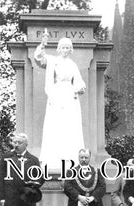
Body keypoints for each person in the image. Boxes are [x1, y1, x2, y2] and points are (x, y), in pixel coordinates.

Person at [34, 35, 86, 170]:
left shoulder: (72, 64)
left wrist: (80, 88)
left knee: (70, 126)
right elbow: (39, 59)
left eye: (68, 47)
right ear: (59, 48)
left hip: (70, 96)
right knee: (55, 125)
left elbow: (79, 82)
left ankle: (71, 160)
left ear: (71, 50)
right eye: (63, 47)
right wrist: (43, 45)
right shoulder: (52, 61)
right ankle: (53, 160)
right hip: (57, 95)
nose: (65, 50)